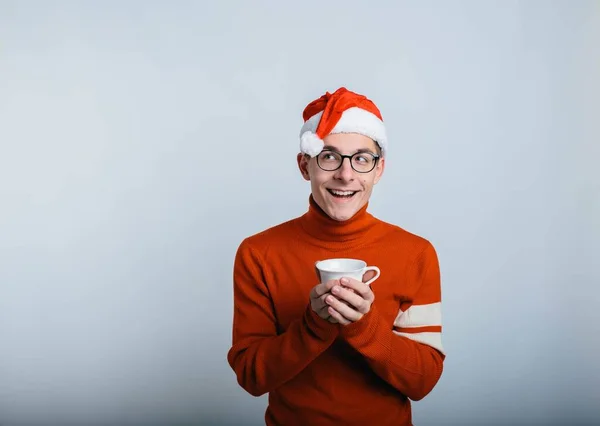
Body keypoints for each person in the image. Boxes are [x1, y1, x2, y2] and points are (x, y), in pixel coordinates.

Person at [227, 87, 445, 426]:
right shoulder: (258, 253)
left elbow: (423, 380)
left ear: (379, 169)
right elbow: (251, 377)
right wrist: (315, 326)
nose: (345, 175)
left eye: (361, 159)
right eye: (329, 156)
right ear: (305, 165)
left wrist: (364, 327)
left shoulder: (416, 253)